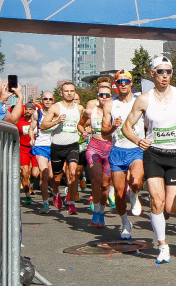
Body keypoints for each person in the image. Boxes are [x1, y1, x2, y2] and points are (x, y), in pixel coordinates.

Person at [121, 56, 176, 263]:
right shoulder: (144, 99)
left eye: (169, 72)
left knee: (171, 209)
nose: (165, 76)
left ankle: (166, 212)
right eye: (161, 72)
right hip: (154, 155)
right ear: (152, 73)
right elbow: (126, 127)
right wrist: (138, 140)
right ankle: (162, 245)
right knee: (157, 200)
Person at [107, 71, 146, 239]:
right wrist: (113, 127)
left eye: (126, 81)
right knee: (119, 192)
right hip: (118, 150)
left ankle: (135, 195)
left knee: (136, 181)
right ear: (115, 85)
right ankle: (125, 223)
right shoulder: (110, 105)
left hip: (136, 148)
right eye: (119, 82)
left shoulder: (142, 100)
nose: (123, 84)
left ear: (131, 83)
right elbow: (104, 131)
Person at [40, 81, 82, 214]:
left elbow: (83, 123)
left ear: (75, 92)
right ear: (61, 93)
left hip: (73, 145)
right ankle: (56, 193)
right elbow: (43, 126)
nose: (69, 93)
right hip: (57, 146)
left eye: (72, 91)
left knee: (73, 172)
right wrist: (57, 121)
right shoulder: (55, 108)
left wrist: (85, 131)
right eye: (66, 91)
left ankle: (71, 202)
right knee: (56, 178)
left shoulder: (79, 108)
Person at [78, 82, 114, 228]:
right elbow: (80, 124)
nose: (104, 97)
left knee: (105, 184)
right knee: (97, 179)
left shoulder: (115, 111)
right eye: (101, 95)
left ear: (111, 97)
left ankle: (101, 210)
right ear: (97, 97)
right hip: (94, 147)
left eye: (107, 95)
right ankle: (96, 208)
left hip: (110, 148)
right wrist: (83, 132)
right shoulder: (90, 112)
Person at [32, 92, 55, 212]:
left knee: (52, 176)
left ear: (53, 100)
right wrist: (31, 138)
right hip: (41, 145)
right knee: (44, 173)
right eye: (45, 98)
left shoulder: (57, 113)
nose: (47, 100)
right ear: (42, 100)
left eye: (50, 99)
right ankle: (45, 203)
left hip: (54, 145)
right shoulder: (37, 113)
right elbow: (31, 128)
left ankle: (55, 194)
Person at [17, 103, 37, 203]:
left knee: (35, 173)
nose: (28, 111)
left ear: (34, 111)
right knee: (24, 173)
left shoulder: (37, 122)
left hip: (36, 149)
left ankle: (31, 185)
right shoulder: (19, 121)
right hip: (23, 148)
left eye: (30, 109)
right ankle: (27, 195)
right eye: (26, 109)